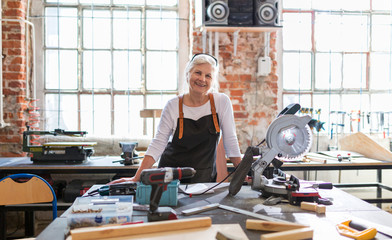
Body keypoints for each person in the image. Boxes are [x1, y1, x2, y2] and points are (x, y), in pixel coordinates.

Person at [110, 53, 242, 184]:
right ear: (187, 74)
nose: (202, 79)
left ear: (212, 81)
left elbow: (230, 141)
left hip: (204, 178)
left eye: (208, 76)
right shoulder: (173, 106)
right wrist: (136, 178)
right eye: (198, 73)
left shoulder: (221, 102)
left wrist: (244, 172)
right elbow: (158, 144)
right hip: (170, 178)